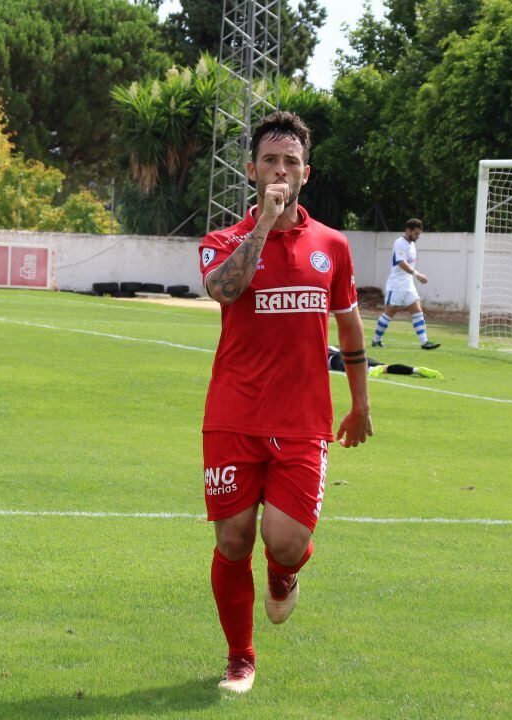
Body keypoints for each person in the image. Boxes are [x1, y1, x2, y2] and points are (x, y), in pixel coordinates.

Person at [199, 111, 372, 694]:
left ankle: (282, 578)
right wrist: (262, 229)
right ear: (251, 169)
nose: (280, 169)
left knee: (286, 540)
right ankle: (240, 658)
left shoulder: (332, 246)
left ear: (306, 173)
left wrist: (360, 403)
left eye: (290, 161)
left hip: (303, 420)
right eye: (270, 160)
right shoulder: (224, 240)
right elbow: (222, 289)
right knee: (232, 539)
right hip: (232, 414)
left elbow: (349, 330)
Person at [372, 218, 440, 350]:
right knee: (389, 312)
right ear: (408, 230)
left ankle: (425, 342)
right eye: (416, 233)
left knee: (417, 311)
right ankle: (376, 340)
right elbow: (401, 262)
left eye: (419, 234)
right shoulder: (400, 243)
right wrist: (417, 275)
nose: (417, 236)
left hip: (408, 285)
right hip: (396, 285)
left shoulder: (412, 244)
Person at [326, 345, 442, 379]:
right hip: (352, 354)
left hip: (335, 359)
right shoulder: (329, 346)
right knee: (385, 367)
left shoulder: (316, 351)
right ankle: (414, 369)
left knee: (349, 367)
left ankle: (370, 369)